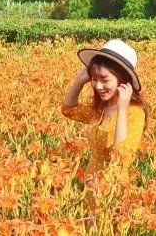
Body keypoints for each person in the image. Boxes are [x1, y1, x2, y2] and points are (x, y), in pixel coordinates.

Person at [61, 39, 150, 217]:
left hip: (112, 190)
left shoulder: (134, 112)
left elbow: (121, 153)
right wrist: (79, 81)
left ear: (123, 79)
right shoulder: (101, 108)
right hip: (90, 187)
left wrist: (122, 109)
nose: (98, 86)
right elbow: (69, 110)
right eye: (94, 79)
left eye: (104, 79)